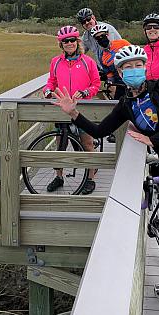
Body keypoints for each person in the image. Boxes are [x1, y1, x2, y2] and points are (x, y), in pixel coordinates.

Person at [52, 44, 159, 315]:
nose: (133, 70)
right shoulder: (127, 103)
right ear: (120, 73)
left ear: (144, 66)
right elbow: (102, 129)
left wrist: (154, 140)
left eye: (137, 64)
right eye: (127, 67)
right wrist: (74, 113)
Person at [43, 25, 101, 194]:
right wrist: (48, 90)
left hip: (82, 109)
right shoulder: (56, 62)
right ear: (61, 44)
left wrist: (85, 92)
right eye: (65, 41)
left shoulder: (87, 62)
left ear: (77, 42)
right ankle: (59, 177)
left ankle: (90, 178)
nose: (69, 43)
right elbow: (51, 81)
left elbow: (96, 84)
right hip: (62, 108)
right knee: (60, 144)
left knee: (87, 143)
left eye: (71, 40)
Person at [90, 22, 130, 99]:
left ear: (108, 35)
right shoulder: (102, 57)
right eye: (98, 38)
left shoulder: (122, 43)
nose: (101, 39)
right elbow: (110, 75)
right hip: (120, 85)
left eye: (103, 36)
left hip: (133, 79)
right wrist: (110, 85)